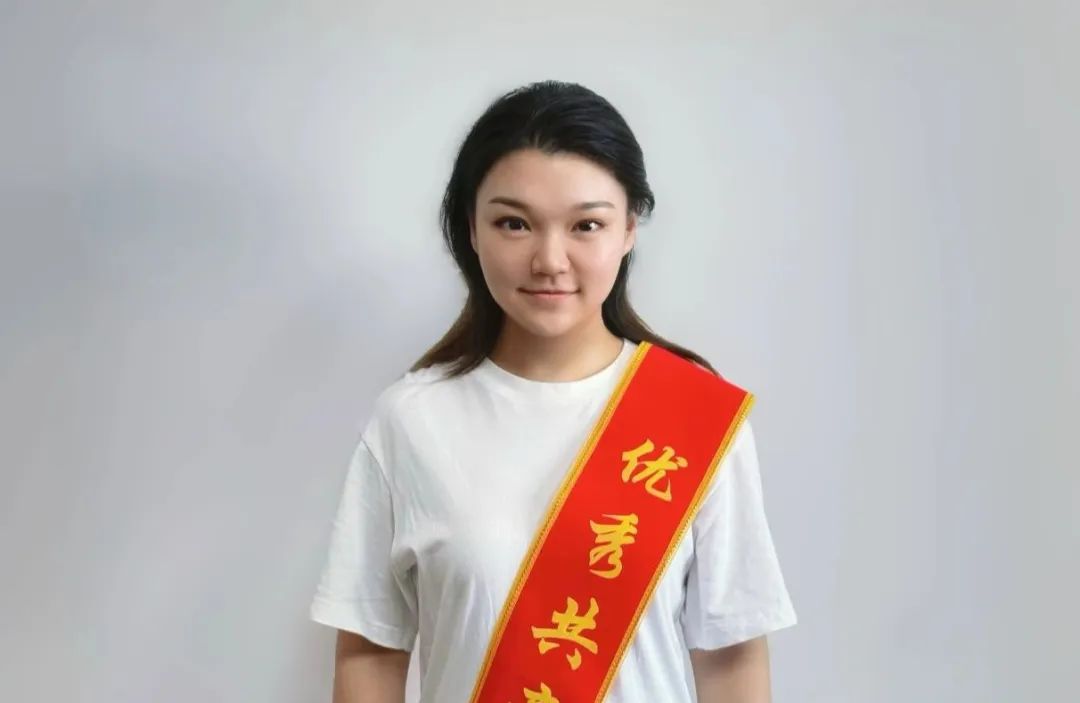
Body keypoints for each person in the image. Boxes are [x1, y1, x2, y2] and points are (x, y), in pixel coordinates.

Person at [309, 80, 797, 703]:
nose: (550, 260)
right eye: (514, 223)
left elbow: (731, 659)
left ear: (629, 229)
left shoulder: (694, 417)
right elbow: (372, 653)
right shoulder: (410, 420)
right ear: (471, 229)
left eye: (586, 225)